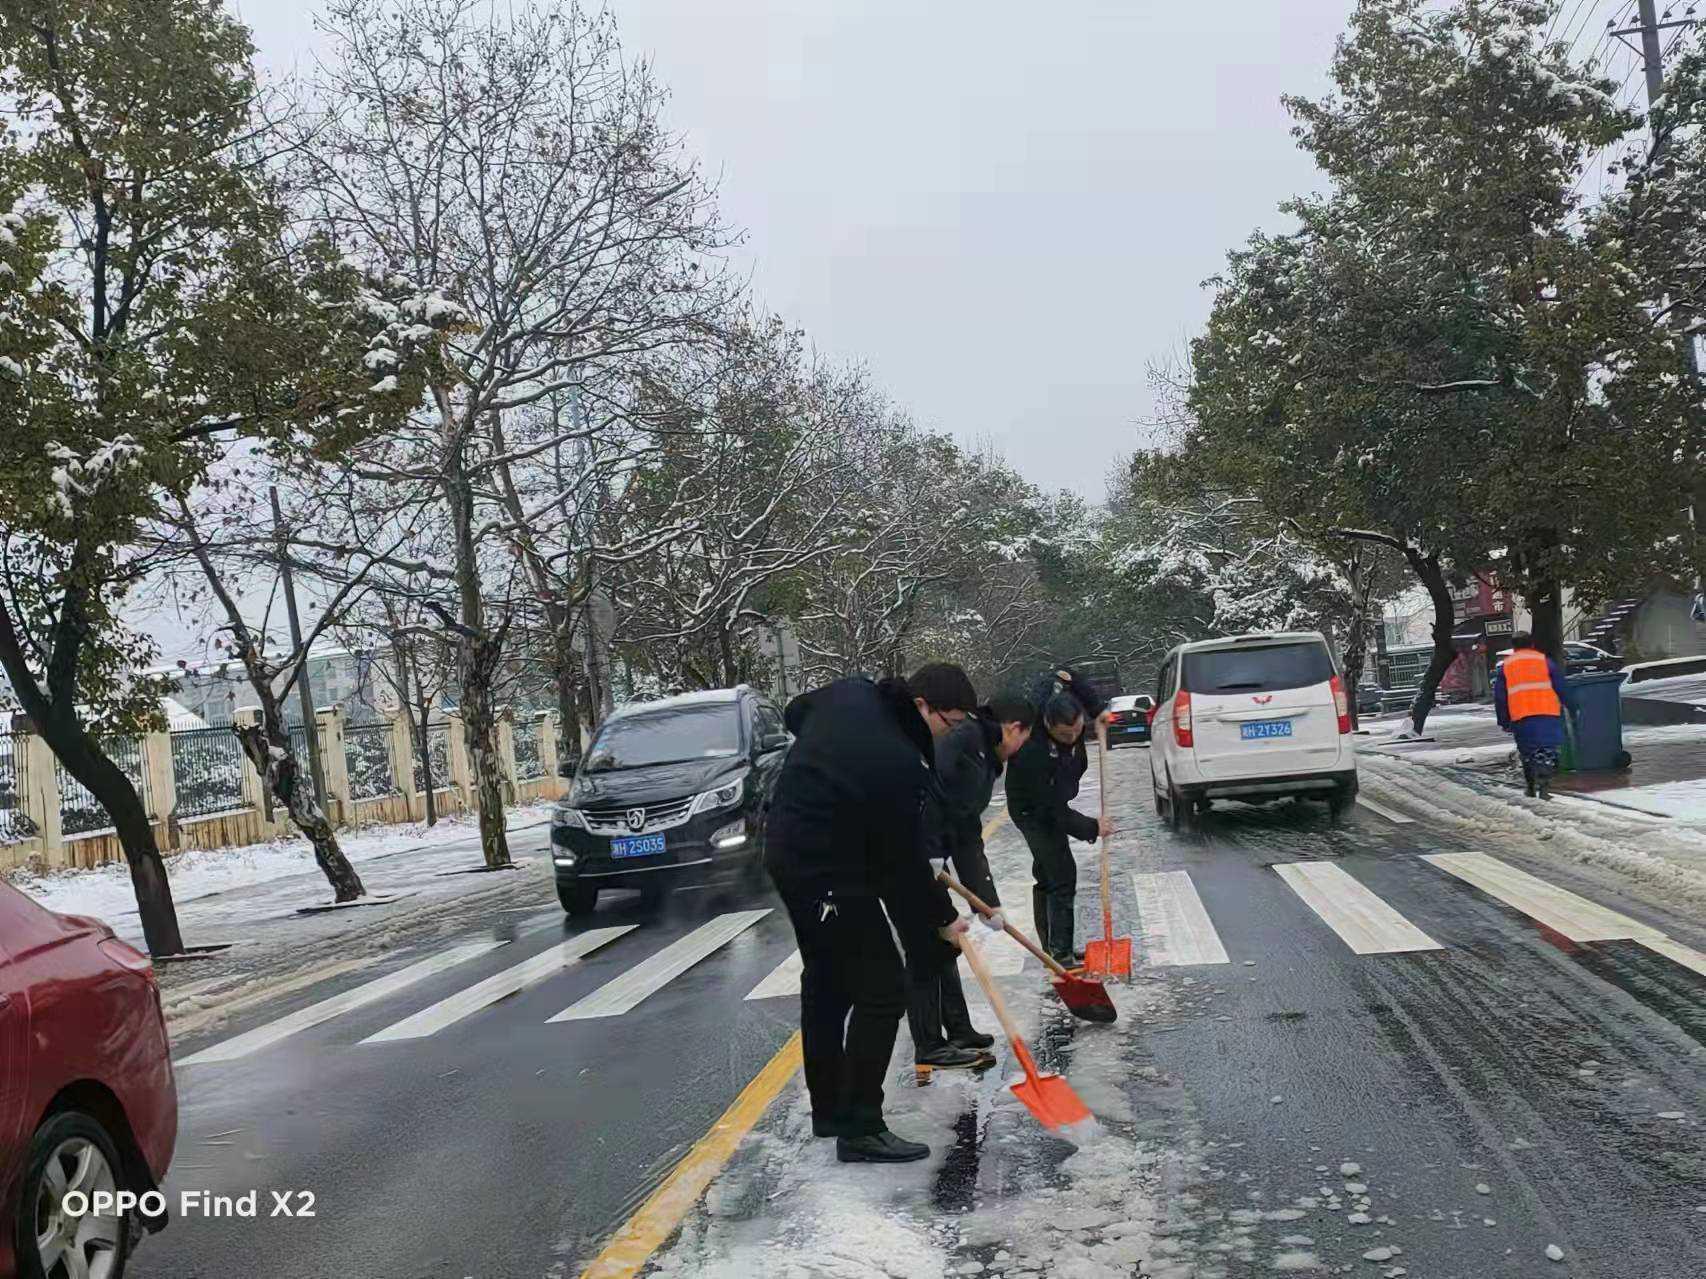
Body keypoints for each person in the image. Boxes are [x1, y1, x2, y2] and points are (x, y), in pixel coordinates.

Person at [763, 668, 973, 1164]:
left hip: (789, 848)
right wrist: (940, 923)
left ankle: (832, 1112)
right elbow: (898, 866)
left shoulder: (856, 692)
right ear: (922, 705)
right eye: (951, 721)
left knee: (828, 982)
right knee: (882, 989)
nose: (951, 732)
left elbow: (798, 713)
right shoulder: (896, 759)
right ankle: (860, 1126)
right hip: (826, 867)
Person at [905, 685, 1035, 1069]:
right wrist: (926, 852)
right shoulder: (966, 743)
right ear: (1013, 729)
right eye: (1025, 737)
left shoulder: (982, 751)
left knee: (948, 939)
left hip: (931, 851)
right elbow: (927, 795)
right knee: (926, 942)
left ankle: (957, 1029)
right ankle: (929, 1044)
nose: (1022, 747)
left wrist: (986, 900)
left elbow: (965, 829)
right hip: (912, 849)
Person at [1004, 690, 1110, 965]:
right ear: (1048, 725)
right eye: (1065, 735)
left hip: (1052, 802)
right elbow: (1050, 809)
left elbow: (1071, 677)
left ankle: (1052, 949)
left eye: (1077, 731)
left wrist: (1098, 710)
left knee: (1048, 875)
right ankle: (1060, 954)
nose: (1072, 738)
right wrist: (1092, 827)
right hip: (1033, 810)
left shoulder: (1070, 723)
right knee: (1062, 875)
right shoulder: (1033, 751)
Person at [1493, 632, 1568, 800]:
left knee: (1528, 752)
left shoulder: (1506, 666)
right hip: (1548, 713)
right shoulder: (1545, 662)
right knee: (1547, 749)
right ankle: (1544, 785)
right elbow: (1561, 686)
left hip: (1521, 716)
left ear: (1514, 647)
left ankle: (1530, 786)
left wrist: (1504, 720)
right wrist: (1571, 704)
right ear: (1532, 644)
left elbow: (1500, 696)